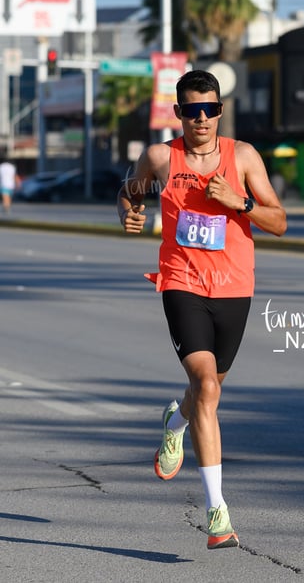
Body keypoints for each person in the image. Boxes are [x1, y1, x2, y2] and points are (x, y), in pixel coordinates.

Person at [117, 70, 287, 550]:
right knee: (207, 386)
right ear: (179, 113)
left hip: (234, 287)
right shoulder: (160, 157)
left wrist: (241, 201)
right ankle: (218, 513)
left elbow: (279, 222)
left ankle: (175, 423)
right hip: (182, 282)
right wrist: (130, 209)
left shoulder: (244, 156)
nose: (202, 118)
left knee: (205, 395)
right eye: (192, 110)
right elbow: (131, 190)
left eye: (210, 109)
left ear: (220, 111)